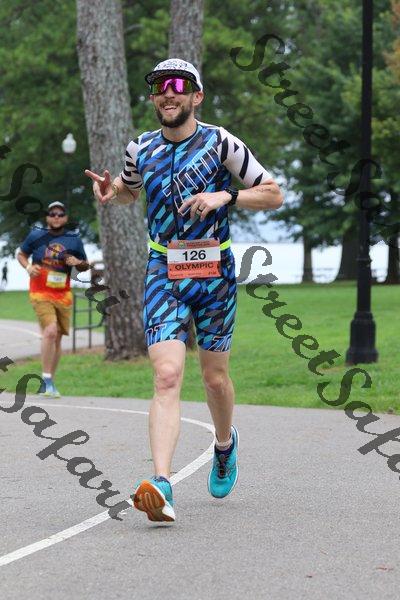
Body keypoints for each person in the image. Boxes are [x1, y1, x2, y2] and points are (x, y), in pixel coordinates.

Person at [86, 58, 283, 523]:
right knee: (167, 375)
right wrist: (113, 193)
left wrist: (225, 195)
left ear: (197, 96)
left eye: (179, 84)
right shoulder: (141, 148)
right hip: (163, 271)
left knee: (214, 379)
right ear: (153, 97)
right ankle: (161, 483)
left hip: (215, 275)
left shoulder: (221, 142)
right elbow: (132, 189)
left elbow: (273, 193)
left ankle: (224, 444)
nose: (168, 92)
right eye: (159, 85)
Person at [17, 201, 89, 397]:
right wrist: (28, 267)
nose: (56, 217)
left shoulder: (73, 239)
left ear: (66, 218)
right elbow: (21, 254)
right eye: (52, 214)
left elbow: (85, 265)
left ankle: (48, 381)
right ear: (47, 217)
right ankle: (47, 380)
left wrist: (77, 262)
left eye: (60, 214)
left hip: (63, 295)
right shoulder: (36, 235)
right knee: (50, 331)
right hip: (40, 293)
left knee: (57, 338)